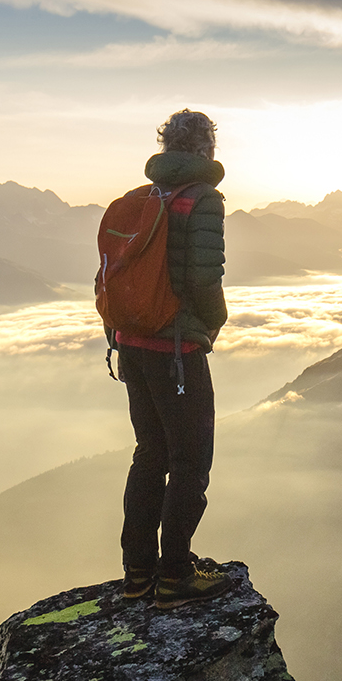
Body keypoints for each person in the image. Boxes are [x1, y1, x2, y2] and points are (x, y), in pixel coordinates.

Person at [116, 109, 232, 608]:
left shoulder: (140, 200)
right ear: (207, 149)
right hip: (177, 352)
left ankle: (138, 573)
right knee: (190, 463)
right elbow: (205, 279)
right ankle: (175, 577)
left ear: (165, 148)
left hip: (132, 345)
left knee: (150, 454)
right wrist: (213, 324)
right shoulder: (202, 201)